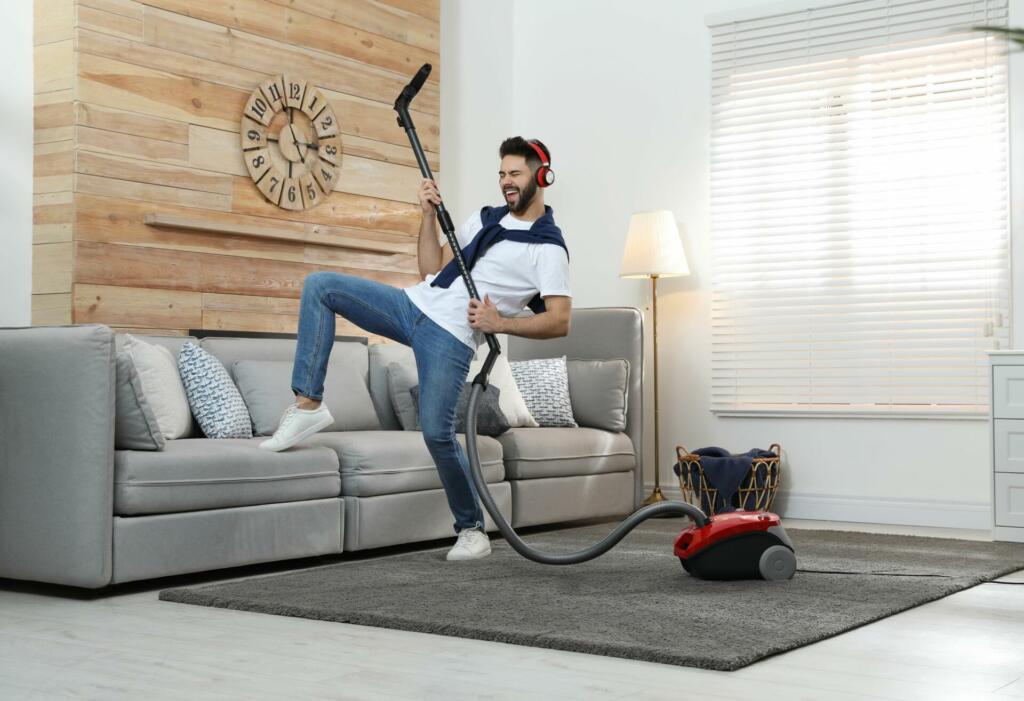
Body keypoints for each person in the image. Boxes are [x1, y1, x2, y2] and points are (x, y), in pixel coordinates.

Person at [259, 136, 572, 562]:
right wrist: (426, 216)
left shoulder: (547, 247)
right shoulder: (484, 219)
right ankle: (309, 405)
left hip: (450, 336)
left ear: (542, 176)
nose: (505, 182)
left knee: (437, 434)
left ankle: (472, 530)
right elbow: (430, 268)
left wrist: (500, 323)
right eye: (501, 174)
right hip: (411, 306)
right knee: (321, 286)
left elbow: (560, 319)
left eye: (514, 173)